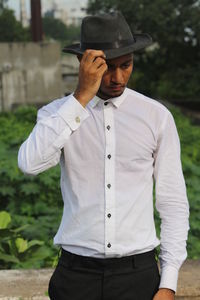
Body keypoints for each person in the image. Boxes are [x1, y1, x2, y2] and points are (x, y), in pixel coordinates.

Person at [18, 11, 189, 300]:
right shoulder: (56, 115)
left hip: (138, 276)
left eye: (126, 65)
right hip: (75, 277)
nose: (118, 77)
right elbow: (29, 164)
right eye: (107, 67)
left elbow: (172, 203)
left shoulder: (156, 117)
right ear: (83, 63)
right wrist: (81, 98)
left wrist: (168, 282)